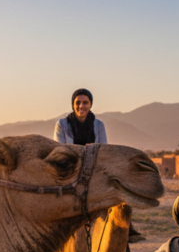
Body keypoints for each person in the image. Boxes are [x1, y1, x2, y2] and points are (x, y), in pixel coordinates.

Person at [53, 89, 144, 242]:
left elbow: (103, 149)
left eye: (85, 102)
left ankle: (126, 229)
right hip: (70, 169)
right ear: (73, 104)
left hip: (93, 167)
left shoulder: (98, 125)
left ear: (90, 104)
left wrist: (91, 150)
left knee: (116, 186)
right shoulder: (62, 124)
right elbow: (60, 150)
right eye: (78, 102)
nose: (81, 106)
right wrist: (86, 150)